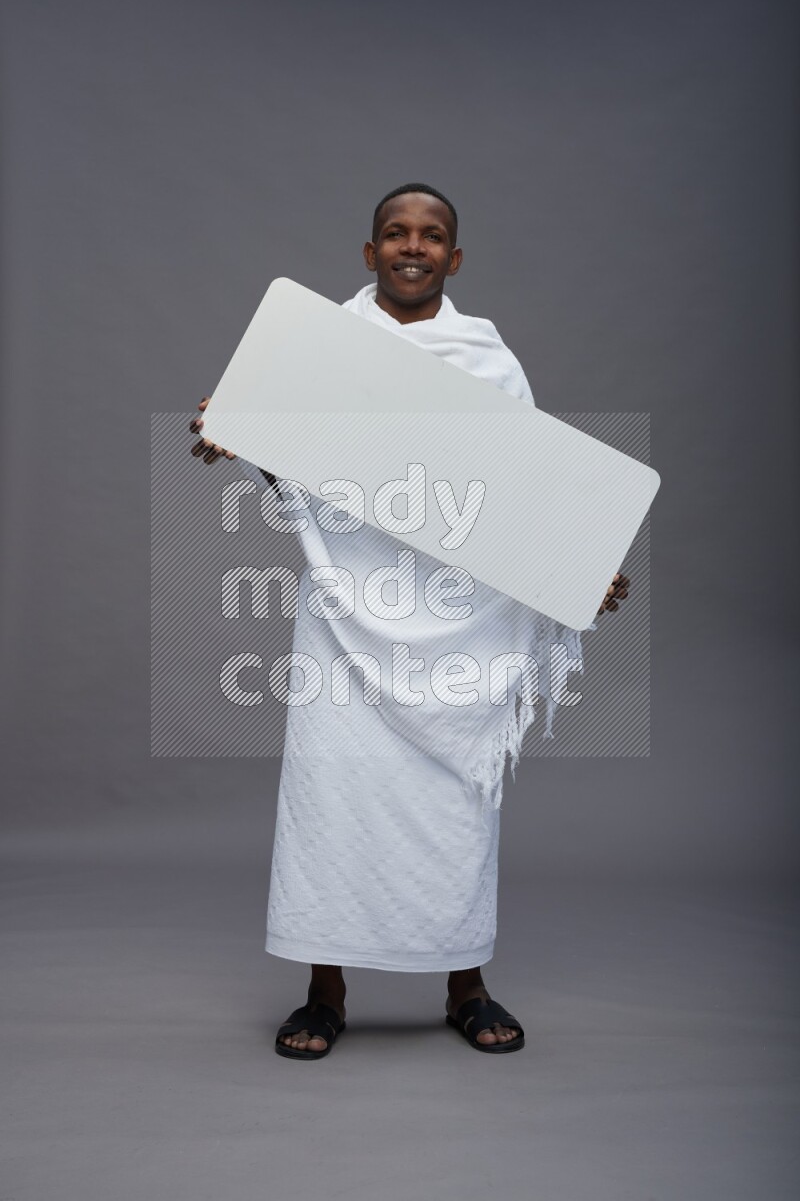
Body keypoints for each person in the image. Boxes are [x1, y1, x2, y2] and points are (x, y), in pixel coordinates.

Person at [189, 183, 629, 1059]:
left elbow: (522, 485)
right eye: (396, 232)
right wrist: (244, 438)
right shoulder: (318, 351)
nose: (413, 246)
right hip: (346, 603)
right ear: (370, 252)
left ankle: (465, 983)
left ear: (453, 259)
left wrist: (578, 567)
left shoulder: (489, 362)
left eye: (431, 235)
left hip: (460, 614)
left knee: (456, 801)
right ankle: (324, 992)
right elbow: (303, 474)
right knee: (332, 795)